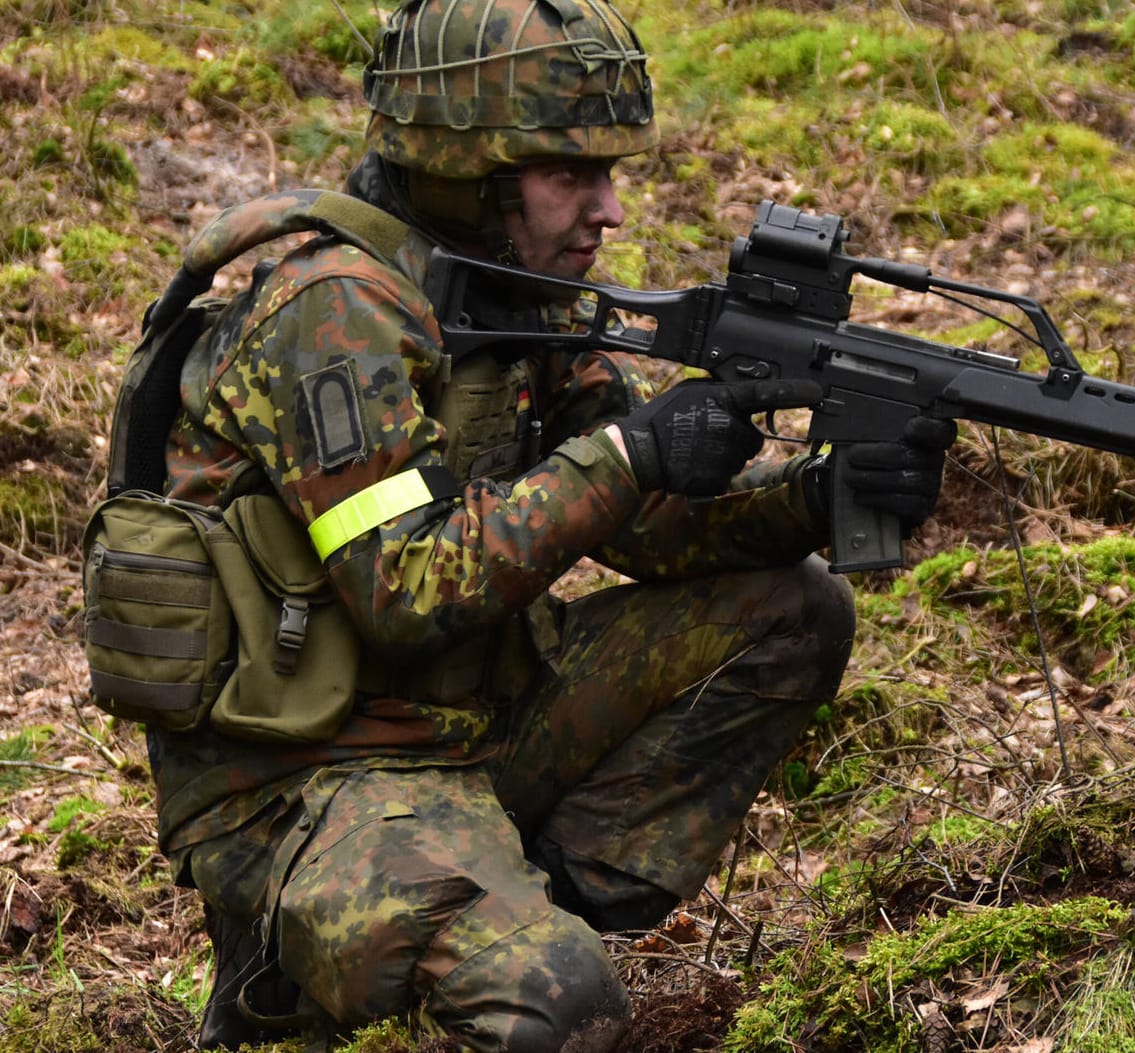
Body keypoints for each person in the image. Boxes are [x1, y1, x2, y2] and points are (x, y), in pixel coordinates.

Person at [141, 0, 956, 1050]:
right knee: (556, 1008)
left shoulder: (513, 298)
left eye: (608, 172)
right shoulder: (332, 310)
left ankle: (503, 906)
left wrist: (814, 493)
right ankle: (293, 958)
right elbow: (402, 590)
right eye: (569, 175)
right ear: (466, 168)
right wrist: (625, 455)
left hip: (465, 733)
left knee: (792, 611)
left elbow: (644, 529)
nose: (606, 209)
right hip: (298, 782)